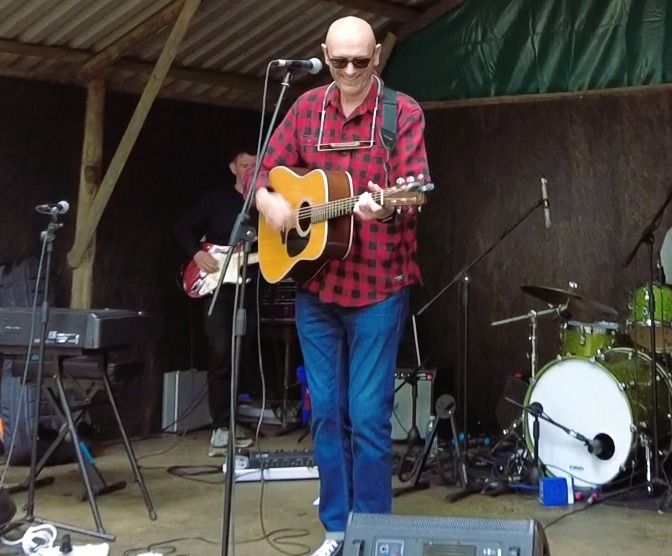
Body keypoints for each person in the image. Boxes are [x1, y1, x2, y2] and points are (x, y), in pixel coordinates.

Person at [248, 16, 430, 556]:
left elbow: (414, 193)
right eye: (339, 61)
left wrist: (384, 209)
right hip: (315, 287)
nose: (350, 70)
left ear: (376, 57)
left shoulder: (402, 113)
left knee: (369, 417)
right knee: (325, 412)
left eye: (360, 60)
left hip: (378, 286)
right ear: (324, 55)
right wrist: (270, 202)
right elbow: (262, 169)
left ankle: (374, 534)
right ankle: (337, 530)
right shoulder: (305, 108)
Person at [175, 148, 257, 456]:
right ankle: (221, 428)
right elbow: (183, 227)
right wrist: (196, 254)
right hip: (218, 288)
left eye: (254, 165)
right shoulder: (216, 199)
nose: (249, 169)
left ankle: (233, 422)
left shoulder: (264, 203)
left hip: (249, 286)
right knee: (221, 352)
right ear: (233, 167)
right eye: (244, 165)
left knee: (241, 354)